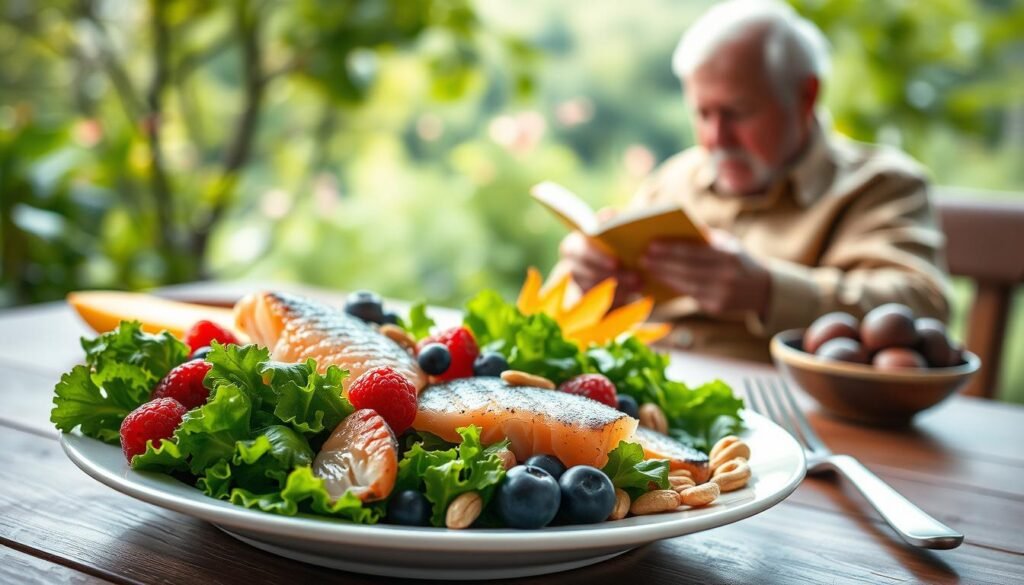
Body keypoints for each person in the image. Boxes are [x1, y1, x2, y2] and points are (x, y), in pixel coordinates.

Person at [554, 0, 951, 362]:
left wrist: (768, 291)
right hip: (641, 397)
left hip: (783, 410)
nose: (716, 138)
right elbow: (562, 311)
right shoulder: (675, 178)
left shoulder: (880, 185)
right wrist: (587, 281)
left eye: (738, 112)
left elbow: (922, 306)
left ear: (806, 97)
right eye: (703, 114)